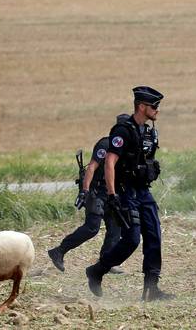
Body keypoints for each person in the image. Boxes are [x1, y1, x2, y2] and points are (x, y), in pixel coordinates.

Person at [85, 86, 174, 301]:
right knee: (132, 240)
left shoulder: (149, 132)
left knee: (154, 237)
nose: (157, 110)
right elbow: (110, 162)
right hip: (126, 193)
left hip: (144, 192)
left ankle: (151, 289)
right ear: (142, 107)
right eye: (154, 106)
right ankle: (97, 270)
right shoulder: (123, 130)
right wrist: (113, 195)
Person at [47, 114, 130, 274]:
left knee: (115, 228)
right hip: (96, 192)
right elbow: (91, 167)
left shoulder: (126, 149)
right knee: (92, 228)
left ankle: (107, 261)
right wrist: (85, 191)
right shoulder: (105, 144)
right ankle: (59, 251)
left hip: (112, 194)